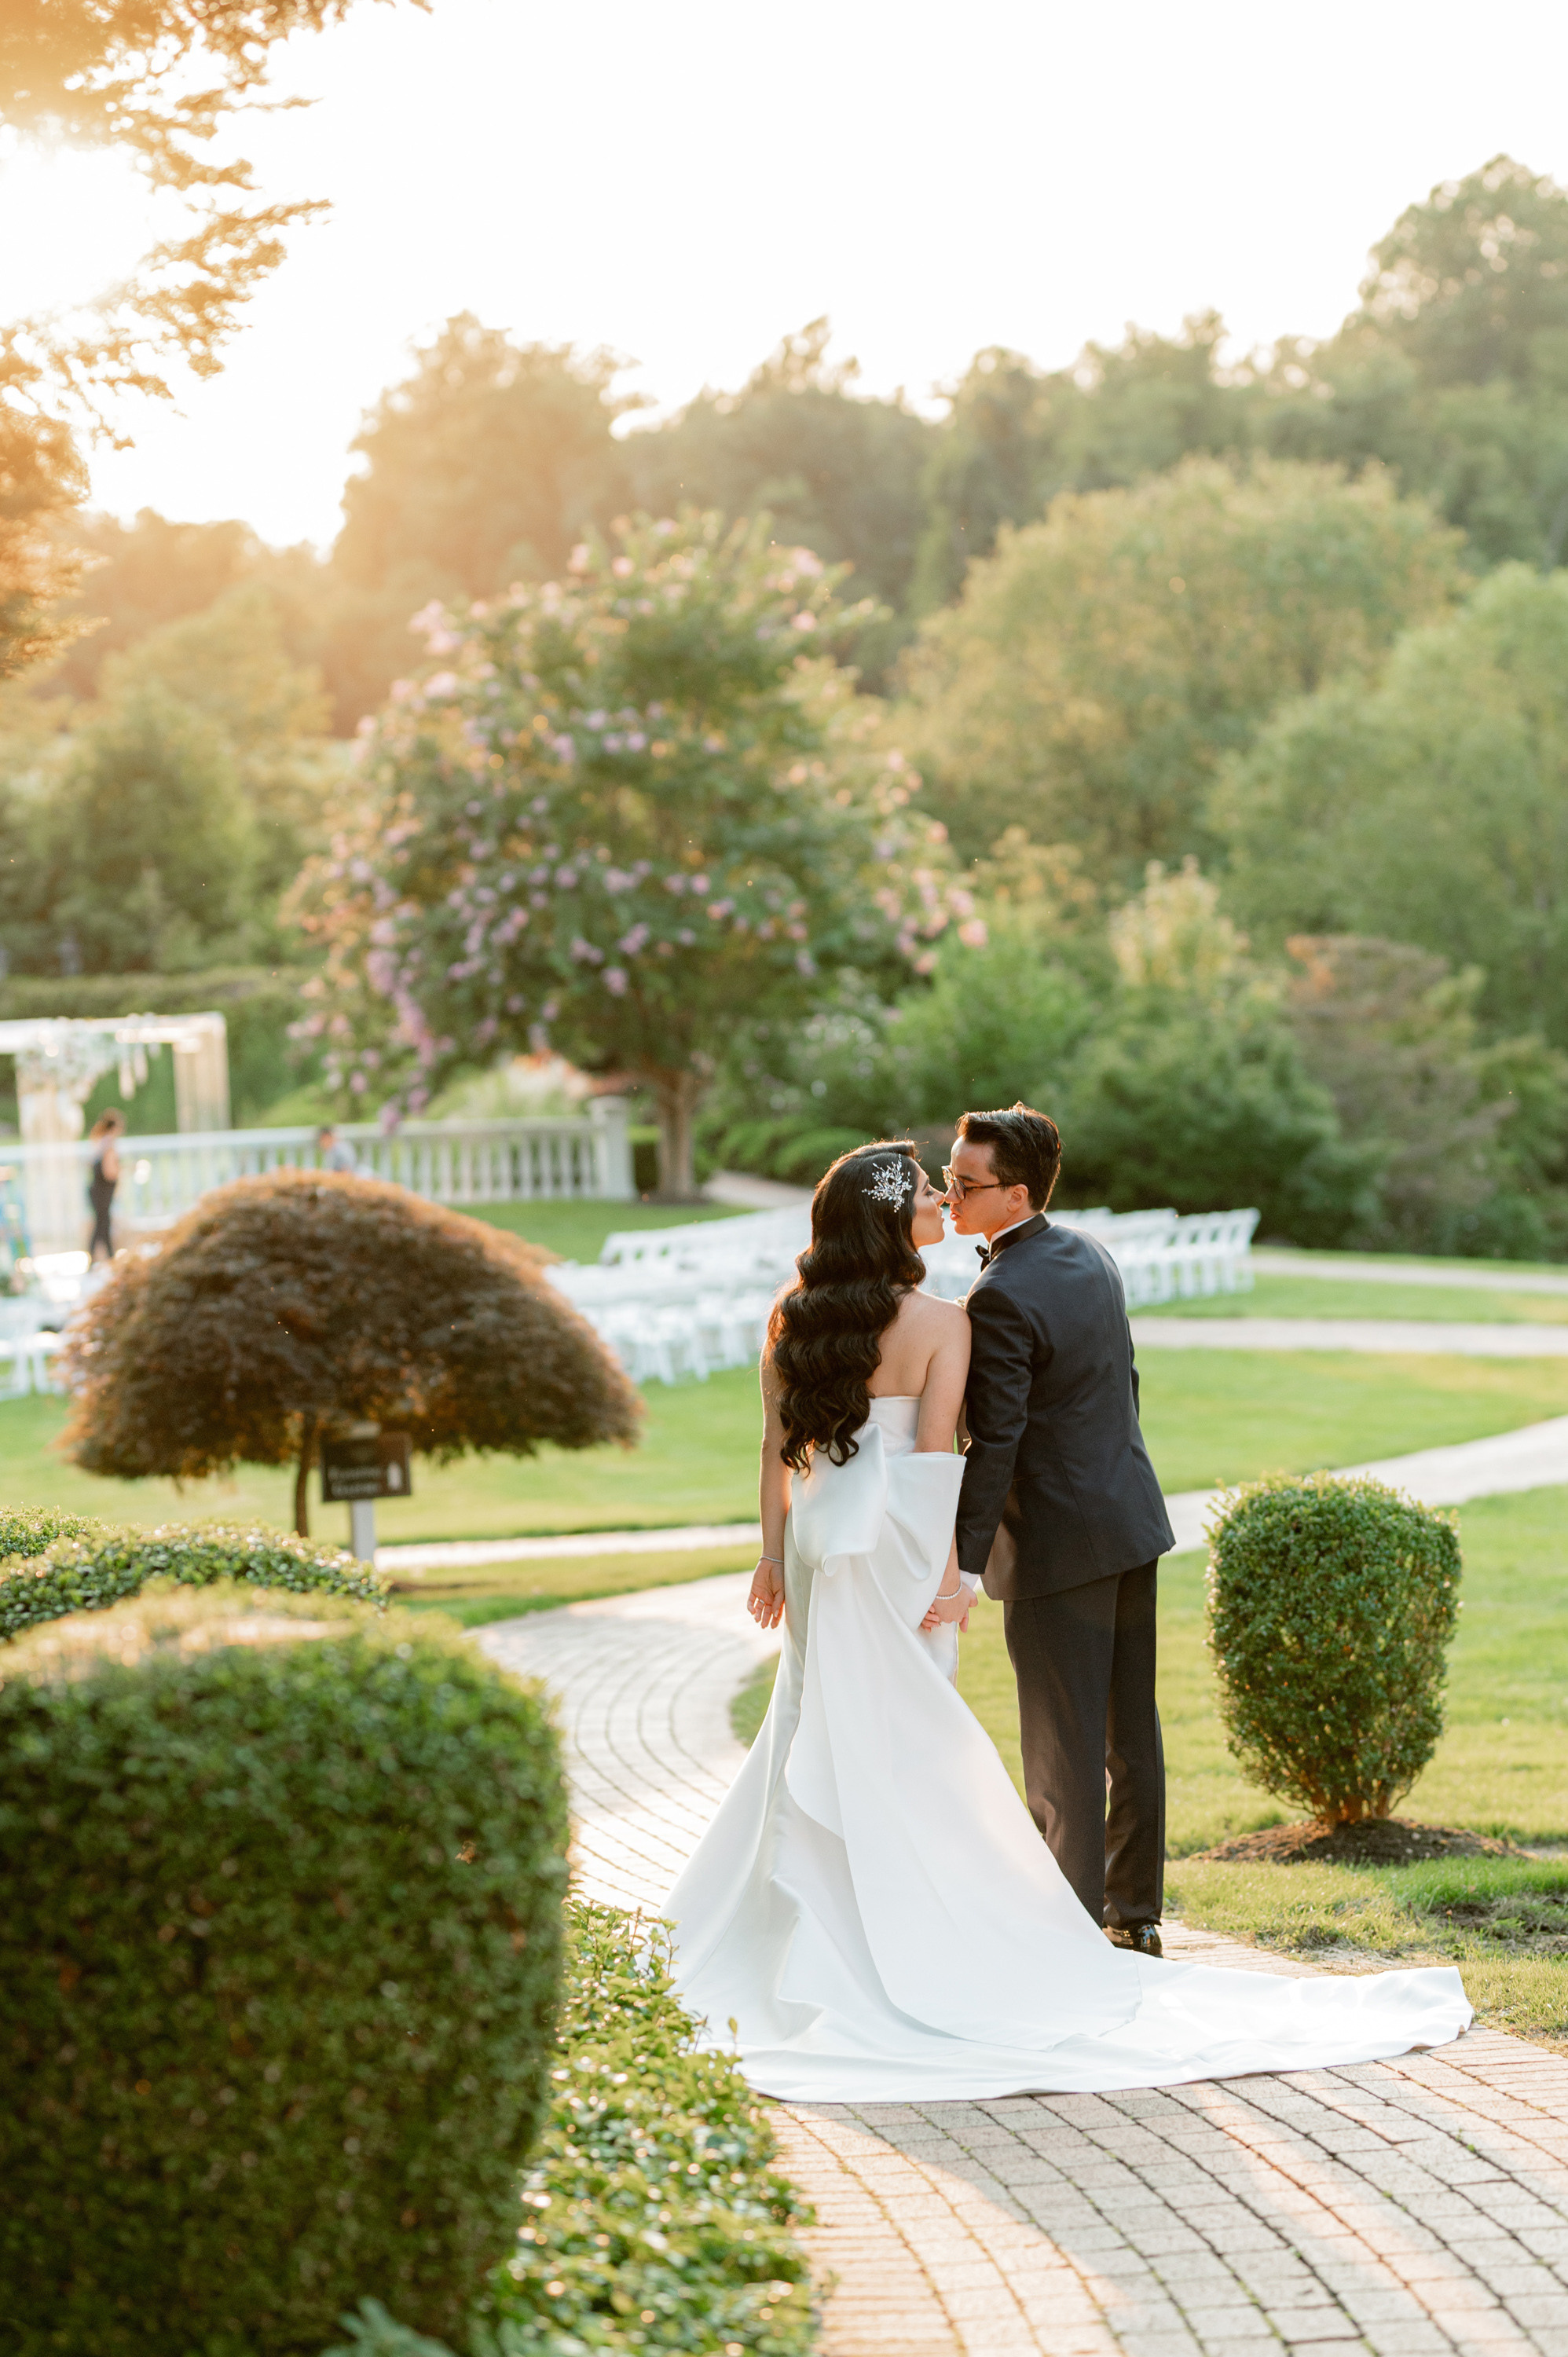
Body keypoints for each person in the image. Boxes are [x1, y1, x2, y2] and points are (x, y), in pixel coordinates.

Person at [663, 1138, 1470, 2105]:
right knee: (984, 1732)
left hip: (832, 1551)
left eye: (955, 1185)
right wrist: (943, 1579)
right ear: (893, 1220)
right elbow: (939, 1458)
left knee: (850, 1726)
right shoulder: (1022, 1284)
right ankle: (1099, 1917)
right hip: (998, 1537)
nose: (943, 1197)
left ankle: (853, 1919)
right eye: (930, 1188)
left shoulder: (800, 1317)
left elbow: (800, 1447)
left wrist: (779, 1556)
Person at [946, 1103, 1172, 1956]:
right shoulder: (1090, 1253)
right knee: (1127, 1727)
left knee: (1061, 1740)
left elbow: (993, 1440)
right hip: (1129, 1520)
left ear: (1014, 1195)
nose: (949, 1196)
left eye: (964, 1186)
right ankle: (1133, 1913)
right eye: (948, 1180)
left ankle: (1070, 1931)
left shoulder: (998, 1293)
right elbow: (1126, 1384)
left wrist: (965, 1562)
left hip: (1055, 1544)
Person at [86, 1110, 125, 1262]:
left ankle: (106, 1255)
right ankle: (105, 1256)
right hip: (102, 1191)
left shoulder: (100, 1142)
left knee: (102, 1222)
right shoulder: (108, 1145)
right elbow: (110, 1172)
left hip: (98, 1190)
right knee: (102, 1223)